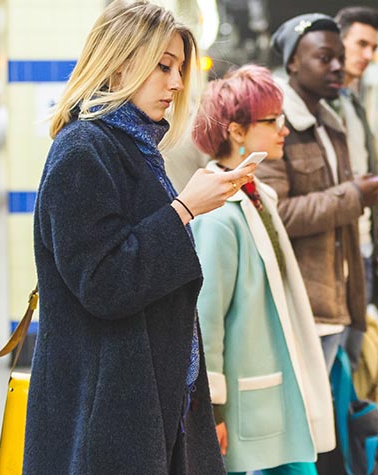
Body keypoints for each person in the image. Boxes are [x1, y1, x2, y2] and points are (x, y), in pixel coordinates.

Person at [25, 2, 256, 473]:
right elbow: (104, 283)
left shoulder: (130, 145)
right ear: (117, 64)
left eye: (178, 68)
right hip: (106, 414)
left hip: (145, 399)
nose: (175, 82)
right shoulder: (83, 151)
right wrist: (186, 209)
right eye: (162, 65)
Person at [191, 65, 335, 475]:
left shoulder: (256, 194)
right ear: (236, 132)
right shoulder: (218, 217)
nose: (283, 129)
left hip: (270, 393)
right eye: (271, 121)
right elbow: (207, 318)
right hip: (248, 403)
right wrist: (213, 407)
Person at [258, 13, 378, 371]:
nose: (337, 67)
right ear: (293, 62)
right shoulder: (275, 125)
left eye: (339, 58)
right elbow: (275, 215)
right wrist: (354, 196)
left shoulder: (330, 125)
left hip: (338, 298)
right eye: (324, 58)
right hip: (304, 308)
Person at [333, 6, 378, 372]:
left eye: (373, 47)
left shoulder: (352, 103)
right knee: (341, 364)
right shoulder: (320, 107)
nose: (368, 56)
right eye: (361, 44)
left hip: (363, 247)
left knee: (352, 360)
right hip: (340, 256)